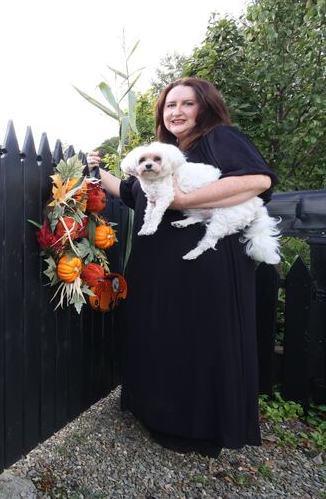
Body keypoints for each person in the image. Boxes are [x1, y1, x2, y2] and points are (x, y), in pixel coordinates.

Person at [87, 77, 277, 457]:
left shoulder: (220, 139)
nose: (176, 112)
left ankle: (194, 429)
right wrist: (97, 171)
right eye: (169, 105)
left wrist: (183, 199)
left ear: (204, 107)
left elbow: (258, 181)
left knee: (194, 339)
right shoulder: (163, 153)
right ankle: (156, 414)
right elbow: (131, 194)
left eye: (186, 104)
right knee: (162, 337)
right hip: (159, 267)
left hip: (201, 267)